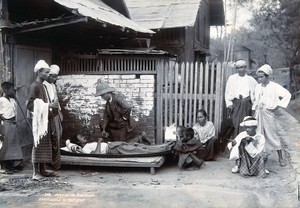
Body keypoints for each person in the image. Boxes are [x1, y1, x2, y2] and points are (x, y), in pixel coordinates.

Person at [252, 64, 291, 167]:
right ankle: (261, 156)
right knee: (259, 134)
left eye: (261, 77)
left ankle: (281, 158)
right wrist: (254, 110)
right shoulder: (257, 87)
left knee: (272, 135)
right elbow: (255, 100)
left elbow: (287, 95)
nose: (259, 79)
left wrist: (276, 107)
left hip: (269, 113)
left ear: (267, 76)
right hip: (259, 113)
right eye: (258, 77)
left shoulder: (274, 86)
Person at [27, 60, 59, 180]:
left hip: (45, 119)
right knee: (37, 144)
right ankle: (35, 173)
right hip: (38, 120)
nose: (47, 75)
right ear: (39, 72)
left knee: (45, 145)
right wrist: (48, 106)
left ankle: (42, 170)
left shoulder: (43, 86)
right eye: (46, 72)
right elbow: (30, 104)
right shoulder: (34, 86)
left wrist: (50, 107)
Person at [225, 60, 257, 138]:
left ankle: (244, 141)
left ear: (245, 68)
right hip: (236, 103)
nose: (240, 69)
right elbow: (227, 92)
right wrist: (229, 103)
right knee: (235, 123)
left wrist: (253, 105)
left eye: (242, 67)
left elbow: (255, 92)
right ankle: (235, 141)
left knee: (245, 123)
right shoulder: (232, 78)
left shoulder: (250, 79)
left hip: (246, 104)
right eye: (238, 68)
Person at [63, 133, 174, 155]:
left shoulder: (88, 144)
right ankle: (163, 149)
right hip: (112, 150)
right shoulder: (84, 149)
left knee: (138, 146)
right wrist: (99, 142)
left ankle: (164, 146)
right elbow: (96, 154)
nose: (84, 137)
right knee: (139, 150)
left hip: (113, 145)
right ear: (78, 142)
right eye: (81, 137)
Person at [0, 82, 23, 174]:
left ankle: (11, 165)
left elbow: (15, 111)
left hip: (13, 123)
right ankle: (3, 167)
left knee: (12, 145)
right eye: (11, 90)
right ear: (5, 90)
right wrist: (4, 118)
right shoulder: (1, 100)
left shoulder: (13, 100)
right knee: (6, 145)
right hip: (5, 123)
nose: (13, 91)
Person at [43, 64, 63, 170]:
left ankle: (55, 162)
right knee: (51, 138)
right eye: (52, 76)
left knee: (57, 137)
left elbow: (56, 100)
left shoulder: (53, 85)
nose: (54, 79)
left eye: (55, 77)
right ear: (48, 75)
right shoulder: (44, 85)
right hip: (48, 115)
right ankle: (49, 162)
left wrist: (59, 112)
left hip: (55, 114)